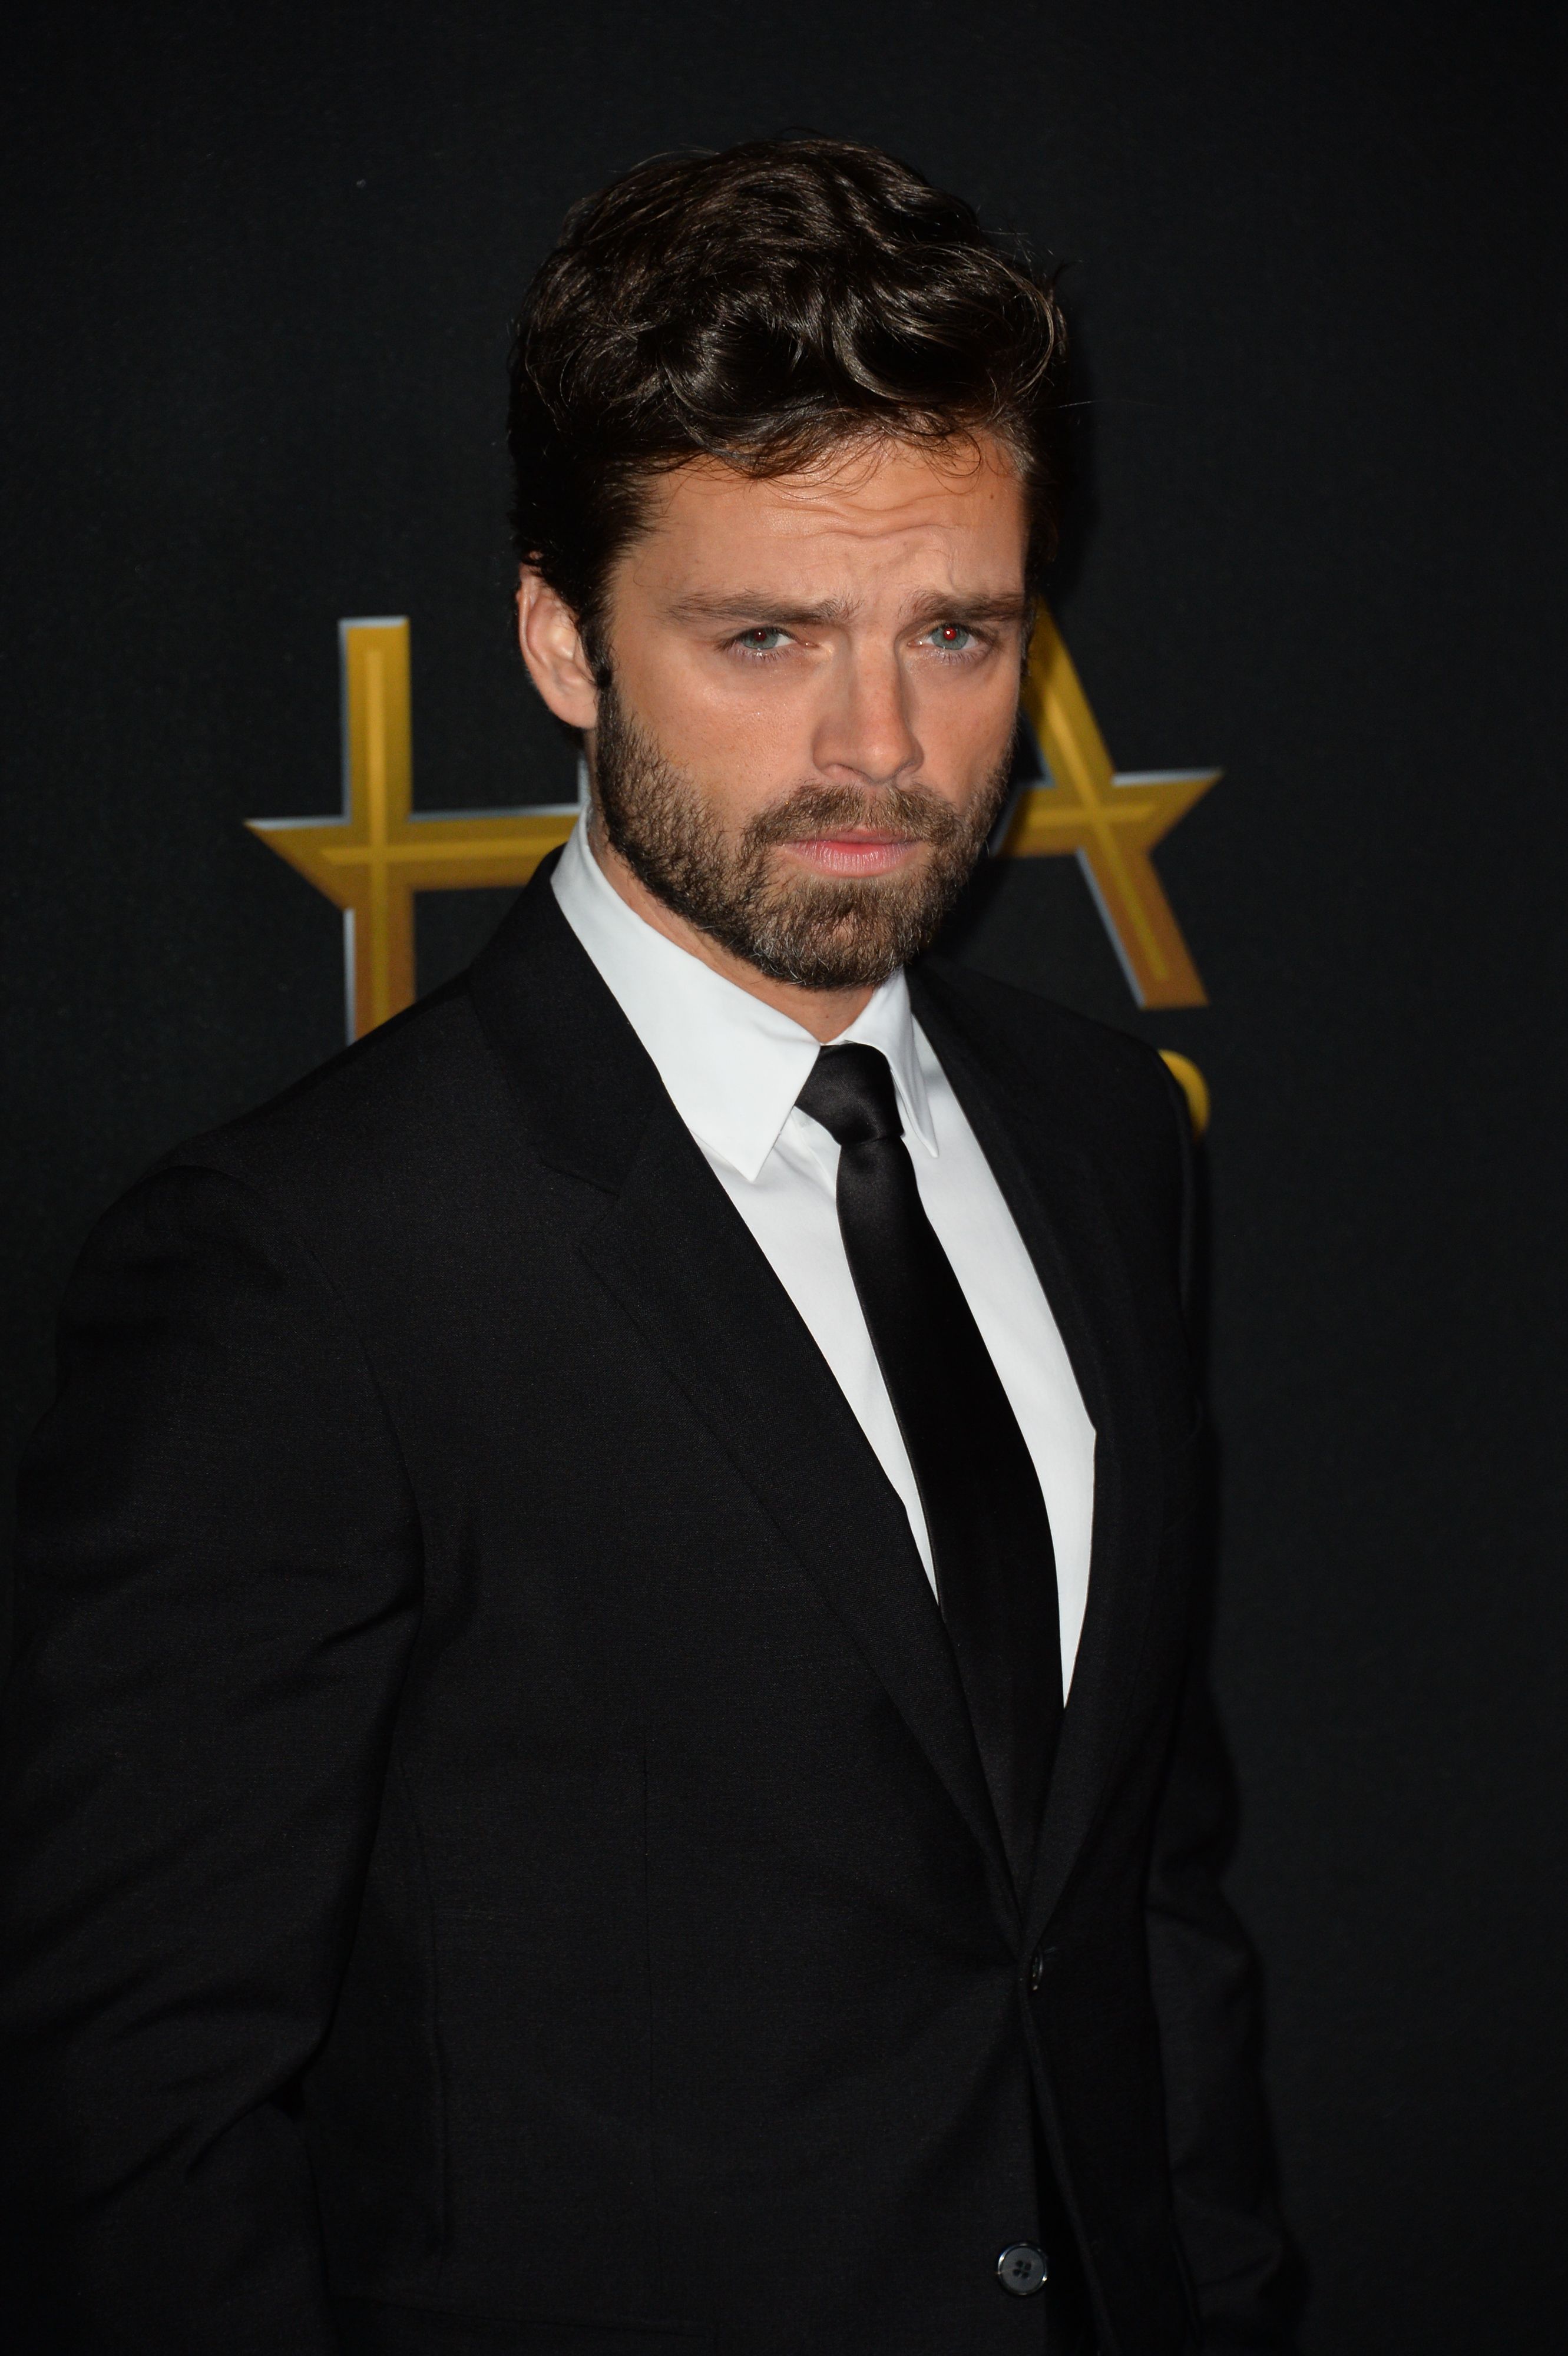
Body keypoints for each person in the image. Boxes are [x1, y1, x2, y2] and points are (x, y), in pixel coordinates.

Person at [0, 137, 1295, 2355]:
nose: (881, 747)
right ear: (562, 640)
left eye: (957, 633)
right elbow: (135, 2116)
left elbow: (1143, 1891)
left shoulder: (1103, 1145)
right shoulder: (298, 1272)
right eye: (765, 636)